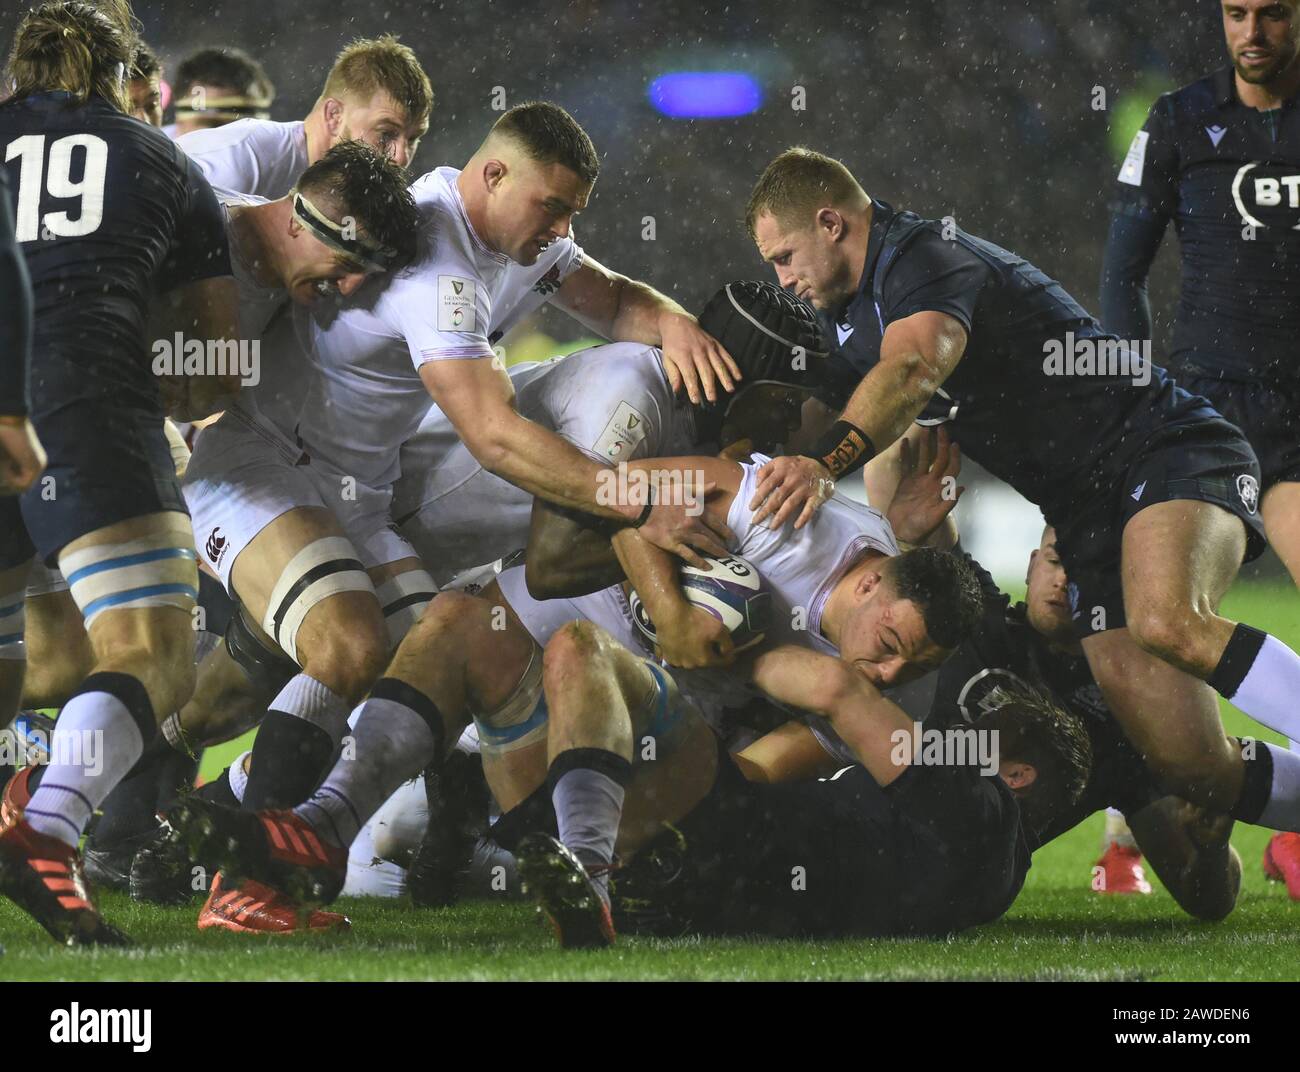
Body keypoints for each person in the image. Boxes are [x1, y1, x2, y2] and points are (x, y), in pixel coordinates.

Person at [739, 146, 1300, 848]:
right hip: (1084, 515)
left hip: (1161, 445)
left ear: (830, 223)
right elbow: (860, 415)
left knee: (1168, 620)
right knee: (1191, 766)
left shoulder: (922, 257)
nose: (782, 280)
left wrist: (825, 465)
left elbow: (913, 369)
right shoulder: (847, 318)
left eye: (784, 257)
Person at [0, 0, 237, 946]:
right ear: (120, 76)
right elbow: (215, 361)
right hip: (81, 398)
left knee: (18, 660)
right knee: (152, 648)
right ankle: (48, 831)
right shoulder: (159, 158)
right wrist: (171, 391)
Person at [1100, 0, 1300, 895]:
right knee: (1154, 620)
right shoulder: (1180, 119)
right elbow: (1121, 272)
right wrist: (1129, 391)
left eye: (1275, 13)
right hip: (1207, 416)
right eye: (1236, 12)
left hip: (1297, 423)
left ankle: (1286, 823)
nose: (1253, 30)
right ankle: (1123, 836)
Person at [177, 35, 429, 196]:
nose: (401, 157)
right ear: (334, 116)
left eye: (412, 139)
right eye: (386, 134)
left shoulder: (358, 195)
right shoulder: (241, 159)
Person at [167, 45, 274, 137]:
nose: (231, 142)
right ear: (179, 121)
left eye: (244, 129)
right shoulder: (153, 157)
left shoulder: (283, 153)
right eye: (213, 126)